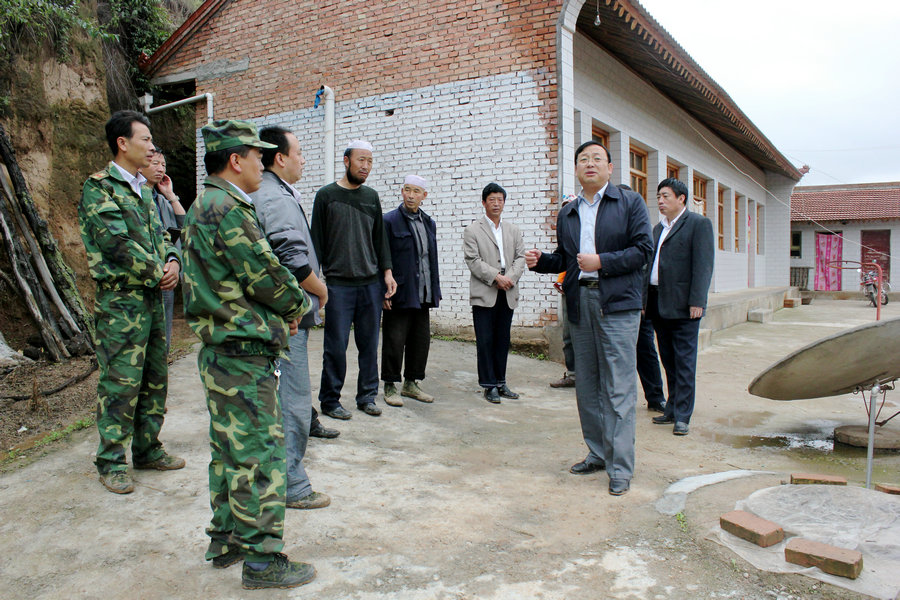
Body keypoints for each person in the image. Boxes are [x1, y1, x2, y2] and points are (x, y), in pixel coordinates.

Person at [181, 119, 315, 589]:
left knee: (229, 453)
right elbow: (267, 274)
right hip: (243, 356)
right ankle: (262, 560)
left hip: (222, 352)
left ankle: (226, 540)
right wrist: (298, 306)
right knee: (259, 456)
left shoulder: (204, 204)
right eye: (258, 156)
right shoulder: (229, 208)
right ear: (236, 161)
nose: (264, 163)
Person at [525, 140, 652, 496]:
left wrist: (602, 262)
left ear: (610, 168)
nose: (590, 163)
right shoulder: (568, 213)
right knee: (588, 384)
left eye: (597, 158)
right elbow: (567, 259)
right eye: (583, 159)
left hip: (618, 304)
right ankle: (598, 452)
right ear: (577, 168)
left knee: (619, 386)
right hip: (580, 302)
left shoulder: (630, 203)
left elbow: (643, 250)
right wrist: (542, 262)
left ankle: (620, 466)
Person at [77, 110, 184, 495]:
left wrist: (174, 261)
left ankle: (147, 448)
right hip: (121, 305)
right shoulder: (100, 188)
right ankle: (110, 461)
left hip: (152, 300)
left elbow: (163, 235)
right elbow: (116, 244)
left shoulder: (143, 190)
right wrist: (159, 271)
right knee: (121, 383)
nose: (152, 148)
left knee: (155, 377)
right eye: (145, 140)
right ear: (122, 143)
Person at [252, 125, 333, 510]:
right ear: (280, 157)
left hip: (276, 317)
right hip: (286, 319)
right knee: (293, 401)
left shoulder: (270, 193)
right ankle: (292, 486)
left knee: (279, 400)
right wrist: (320, 290)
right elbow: (292, 258)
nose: (303, 159)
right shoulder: (275, 198)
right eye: (298, 152)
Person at [311, 140, 396, 419]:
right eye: (361, 160)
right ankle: (330, 401)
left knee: (369, 345)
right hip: (338, 286)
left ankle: (367, 396)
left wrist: (387, 273)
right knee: (335, 347)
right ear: (346, 161)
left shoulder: (371, 197)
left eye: (370, 161)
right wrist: (314, 284)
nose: (366, 166)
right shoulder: (326, 196)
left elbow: (380, 240)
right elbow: (316, 242)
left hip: (370, 284)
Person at [647, 178, 715, 436]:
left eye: (665, 196)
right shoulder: (658, 229)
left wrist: (698, 300)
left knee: (684, 361)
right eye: (658, 197)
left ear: (681, 198)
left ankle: (683, 416)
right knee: (668, 359)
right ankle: (672, 408)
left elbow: (703, 265)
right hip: (658, 302)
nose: (660, 201)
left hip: (685, 306)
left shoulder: (698, 224)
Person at [380, 175, 442, 406]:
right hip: (398, 292)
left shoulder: (429, 223)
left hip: (423, 291)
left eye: (416, 191)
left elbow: (430, 259)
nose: (411, 195)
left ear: (424, 196)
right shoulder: (389, 221)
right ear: (402, 192)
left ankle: (411, 383)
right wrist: (382, 290)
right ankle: (390, 385)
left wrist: (435, 289)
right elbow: (381, 257)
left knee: (420, 340)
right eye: (407, 190)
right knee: (394, 340)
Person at [463, 182, 526, 404]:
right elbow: (473, 260)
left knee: (502, 339)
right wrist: (496, 277)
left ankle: (501, 382)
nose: (496, 203)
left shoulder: (513, 230)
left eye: (500, 199)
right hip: (485, 291)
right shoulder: (473, 230)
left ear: (504, 202)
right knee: (485, 340)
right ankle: (488, 385)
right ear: (484, 203)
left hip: (507, 291)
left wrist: (510, 278)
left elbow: (520, 258)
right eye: (492, 200)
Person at [617, 183, 665, 413]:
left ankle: (655, 397)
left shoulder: (643, 231)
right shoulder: (609, 231)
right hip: (613, 303)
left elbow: (647, 271)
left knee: (645, 350)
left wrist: (643, 302)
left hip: (638, 304)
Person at [142, 147, 187, 351]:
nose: (160, 169)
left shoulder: (161, 199)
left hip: (168, 271)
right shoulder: (134, 197)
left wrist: (170, 194)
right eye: (155, 164)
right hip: (146, 274)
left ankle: (163, 355)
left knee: (164, 335)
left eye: (163, 165)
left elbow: (184, 225)